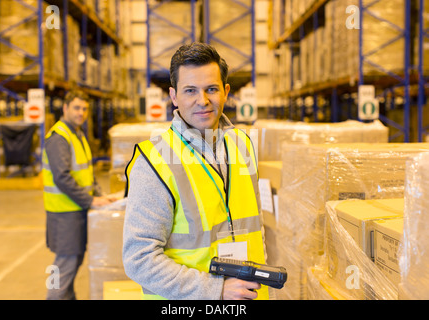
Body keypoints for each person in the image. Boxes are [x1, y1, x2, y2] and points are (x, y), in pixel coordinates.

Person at [123, 42, 270, 300]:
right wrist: (216, 290)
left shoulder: (243, 144)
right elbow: (139, 258)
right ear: (174, 96)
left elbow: (255, 224)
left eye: (211, 89)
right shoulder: (154, 161)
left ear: (225, 91)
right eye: (190, 90)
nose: (202, 101)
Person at [42, 90, 114, 300]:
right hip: (64, 214)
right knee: (64, 266)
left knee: (71, 264)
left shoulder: (77, 134)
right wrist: (91, 200)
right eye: (76, 108)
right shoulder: (59, 138)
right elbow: (62, 177)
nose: (81, 113)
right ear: (65, 108)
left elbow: (85, 174)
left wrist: (101, 195)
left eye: (84, 109)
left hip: (76, 211)